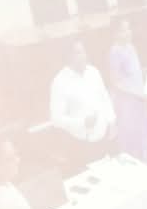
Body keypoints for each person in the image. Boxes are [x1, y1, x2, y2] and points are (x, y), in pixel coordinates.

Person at [48, 38, 116, 170]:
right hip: (82, 144)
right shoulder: (59, 82)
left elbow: (105, 98)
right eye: (79, 53)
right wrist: (81, 122)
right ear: (69, 56)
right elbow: (55, 119)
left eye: (84, 52)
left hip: (104, 137)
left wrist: (112, 121)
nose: (84, 56)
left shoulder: (94, 72)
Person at [107, 19, 147, 165]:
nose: (128, 32)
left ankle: (146, 164)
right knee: (131, 138)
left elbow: (133, 71)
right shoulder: (114, 52)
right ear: (115, 33)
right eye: (123, 30)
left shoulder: (131, 47)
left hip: (139, 99)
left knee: (143, 134)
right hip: (127, 104)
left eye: (128, 29)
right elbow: (116, 82)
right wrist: (136, 93)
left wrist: (145, 70)